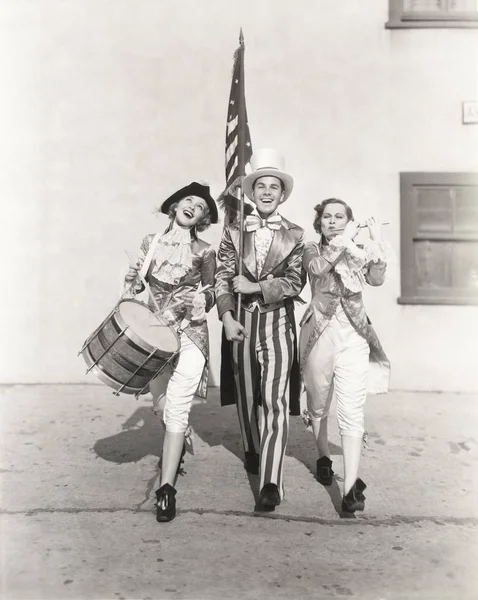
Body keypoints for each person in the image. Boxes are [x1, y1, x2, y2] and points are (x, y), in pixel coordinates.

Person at [215, 149, 305, 512]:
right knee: (247, 393)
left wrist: (257, 287)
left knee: (274, 400)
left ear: (282, 194)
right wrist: (225, 316)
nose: (267, 192)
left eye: (274, 187)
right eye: (261, 186)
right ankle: (252, 448)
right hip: (241, 321)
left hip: (277, 322)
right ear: (251, 193)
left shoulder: (296, 234)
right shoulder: (234, 232)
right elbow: (221, 276)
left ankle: (271, 482)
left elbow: (296, 281)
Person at [124, 181, 218, 522]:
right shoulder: (151, 243)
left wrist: (201, 301)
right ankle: (180, 433)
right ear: (176, 206)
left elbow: (210, 292)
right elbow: (137, 288)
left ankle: (166, 490)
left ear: (202, 221)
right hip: (156, 336)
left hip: (191, 335)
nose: (195, 207)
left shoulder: (205, 251)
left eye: (202, 208)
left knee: (176, 408)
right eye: (190, 201)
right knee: (162, 407)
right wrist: (133, 279)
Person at [299, 198, 391, 513]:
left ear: (348, 220)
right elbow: (317, 269)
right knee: (318, 402)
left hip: (354, 335)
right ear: (319, 222)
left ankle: (351, 489)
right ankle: (323, 454)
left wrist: (376, 243)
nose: (334, 222)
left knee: (352, 410)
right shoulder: (312, 248)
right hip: (319, 335)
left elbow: (376, 280)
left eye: (341, 217)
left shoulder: (357, 250)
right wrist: (347, 240)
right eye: (328, 217)